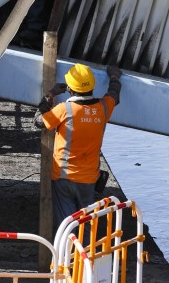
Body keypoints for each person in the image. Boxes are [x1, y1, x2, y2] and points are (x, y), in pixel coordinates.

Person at [35, 63, 122, 228]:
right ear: (92, 86)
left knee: (67, 226)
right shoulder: (104, 107)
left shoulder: (64, 109)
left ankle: (67, 253)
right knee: (85, 226)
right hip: (89, 178)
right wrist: (114, 77)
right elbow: (114, 94)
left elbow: (39, 121)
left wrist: (51, 94)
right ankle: (84, 253)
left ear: (69, 89)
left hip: (63, 177)